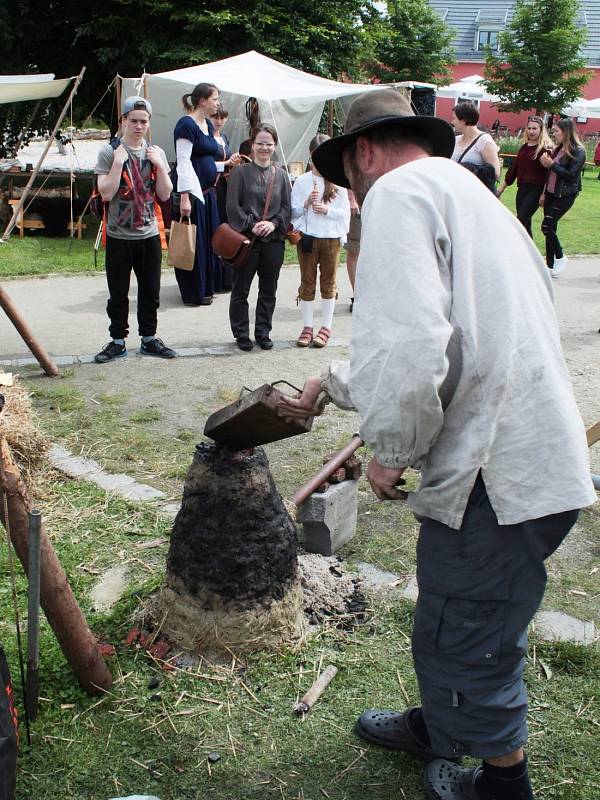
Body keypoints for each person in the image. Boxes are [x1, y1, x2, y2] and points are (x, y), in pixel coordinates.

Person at [278, 90, 596, 800]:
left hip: (498, 474)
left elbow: (413, 347)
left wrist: (390, 448)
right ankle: (441, 727)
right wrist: (329, 382)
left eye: (347, 178)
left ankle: (502, 784)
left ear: (363, 153)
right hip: (528, 459)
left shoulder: (396, 194)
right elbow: (458, 342)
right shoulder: (471, 195)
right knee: (456, 613)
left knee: (470, 631)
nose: (351, 196)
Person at [93, 96, 176, 364]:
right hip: (118, 235)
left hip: (149, 234)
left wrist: (161, 167)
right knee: (118, 293)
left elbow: (165, 193)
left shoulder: (156, 153)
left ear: (149, 123)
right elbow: (105, 193)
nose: (139, 126)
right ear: (124, 121)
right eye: (134, 121)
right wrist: (118, 163)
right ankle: (117, 341)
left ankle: (149, 339)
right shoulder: (110, 152)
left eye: (144, 121)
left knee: (150, 291)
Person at [226, 124, 291, 352]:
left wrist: (272, 224)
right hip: (248, 241)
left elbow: (286, 208)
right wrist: (253, 225)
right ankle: (241, 333)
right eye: (260, 143)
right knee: (241, 289)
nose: (264, 147)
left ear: (274, 146)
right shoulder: (240, 173)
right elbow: (233, 207)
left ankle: (263, 332)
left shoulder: (281, 175)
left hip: (273, 241)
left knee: (268, 289)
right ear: (252, 145)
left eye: (269, 144)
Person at [291, 134, 350, 348]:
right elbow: (293, 212)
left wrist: (327, 210)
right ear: (310, 155)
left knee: (329, 283)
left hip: (331, 239)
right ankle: (307, 326)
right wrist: (306, 203)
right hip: (307, 239)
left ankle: (326, 327)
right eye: (316, 156)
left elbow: (345, 214)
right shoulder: (302, 181)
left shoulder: (338, 181)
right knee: (307, 283)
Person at [172, 83, 222, 305]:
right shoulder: (186, 125)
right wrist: (184, 197)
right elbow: (183, 161)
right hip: (193, 194)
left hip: (209, 194)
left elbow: (207, 160)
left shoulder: (208, 126)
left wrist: (226, 165)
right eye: (215, 99)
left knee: (208, 243)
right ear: (202, 101)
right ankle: (194, 292)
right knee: (195, 243)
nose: (217, 103)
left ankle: (207, 288)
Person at [539, 118, 586, 278]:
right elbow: (550, 173)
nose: (554, 134)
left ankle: (560, 257)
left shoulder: (578, 151)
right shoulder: (558, 148)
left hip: (565, 195)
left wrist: (551, 164)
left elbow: (571, 175)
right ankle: (550, 266)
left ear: (566, 132)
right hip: (551, 193)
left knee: (546, 226)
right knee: (552, 228)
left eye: (556, 131)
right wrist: (544, 192)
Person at [497, 116, 552, 237]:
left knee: (520, 221)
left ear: (541, 130)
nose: (531, 131)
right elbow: (513, 170)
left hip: (536, 190)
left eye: (535, 128)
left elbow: (549, 174)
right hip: (522, 189)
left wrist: (544, 193)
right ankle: (531, 254)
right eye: (529, 128)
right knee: (526, 225)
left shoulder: (545, 149)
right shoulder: (524, 148)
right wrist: (501, 189)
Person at [451, 102, 500, 191]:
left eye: (454, 118)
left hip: (474, 194)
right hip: (456, 191)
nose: (452, 122)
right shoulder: (455, 140)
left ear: (463, 120)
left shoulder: (484, 140)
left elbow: (495, 173)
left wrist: (470, 168)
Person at [345, 190, 361, 313]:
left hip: (379, 199)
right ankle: (358, 296)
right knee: (354, 250)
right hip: (358, 201)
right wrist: (351, 198)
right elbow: (349, 171)